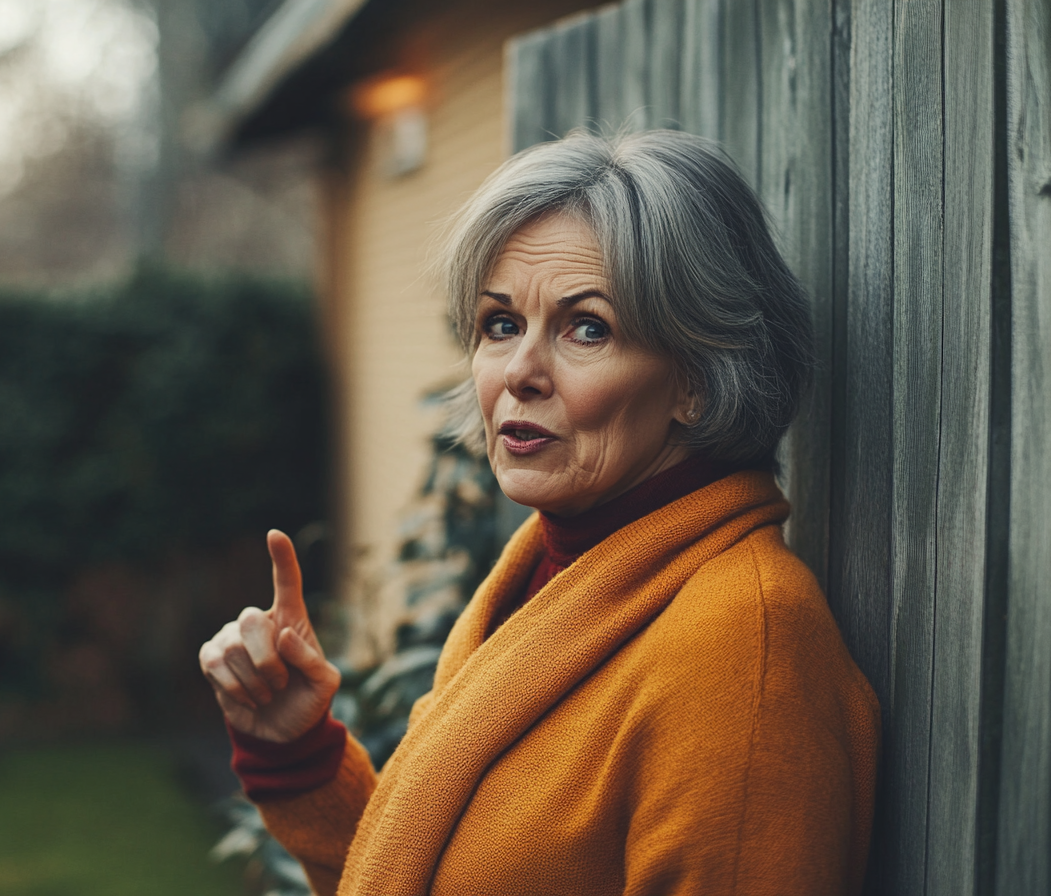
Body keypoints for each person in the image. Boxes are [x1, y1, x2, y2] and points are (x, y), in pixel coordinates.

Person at [199, 130, 880, 896]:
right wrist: (300, 756)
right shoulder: (547, 571)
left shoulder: (743, 646)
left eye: (587, 327)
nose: (520, 371)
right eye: (500, 324)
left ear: (697, 377)